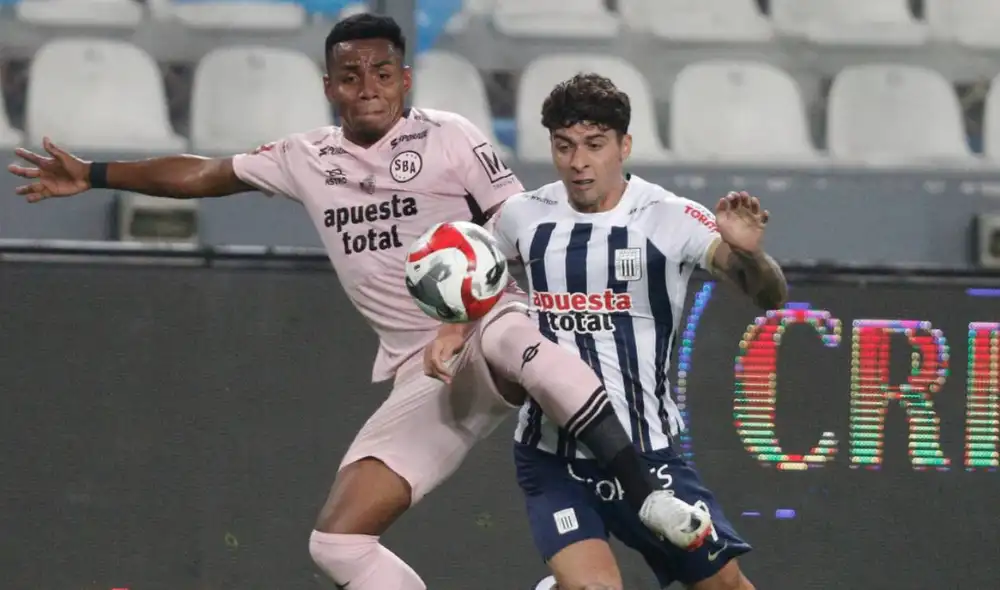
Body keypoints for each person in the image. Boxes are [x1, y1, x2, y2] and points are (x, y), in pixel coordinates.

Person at [7, 14, 709, 590]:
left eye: (381, 74)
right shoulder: (305, 157)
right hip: (422, 371)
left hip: (489, 329)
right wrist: (96, 173)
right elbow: (204, 174)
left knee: (507, 335)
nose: (367, 88)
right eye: (351, 77)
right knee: (335, 544)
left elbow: (522, 232)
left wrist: (463, 321)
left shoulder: (453, 138)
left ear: (404, 79)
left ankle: (647, 490)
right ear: (330, 87)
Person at [475, 73, 788, 589]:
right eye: (564, 146)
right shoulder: (521, 217)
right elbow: (469, 282)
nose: (578, 162)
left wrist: (751, 256)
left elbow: (770, 295)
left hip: (649, 456)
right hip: (554, 456)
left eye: (595, 146)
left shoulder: (668, 217)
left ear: (624, 145)